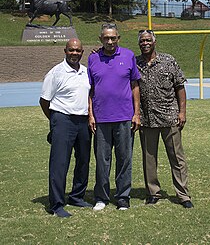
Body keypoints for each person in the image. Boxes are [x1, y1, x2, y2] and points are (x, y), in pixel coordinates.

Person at [136, 30, 194, 208]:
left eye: (148, 40)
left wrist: (182, 112)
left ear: (154, 42)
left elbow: (180, 87)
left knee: (177, 158)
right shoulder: (135, 63)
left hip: (170, 117)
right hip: (147, 119)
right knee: (149, 159)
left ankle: (183, 195)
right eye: (142, 41)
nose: (145, 43)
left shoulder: (168, 61)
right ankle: (153, 192)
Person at [88, 23, 141, 211]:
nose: (110, 41)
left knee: (124, 158)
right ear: (100, 39)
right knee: (102, 160)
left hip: (125, 117)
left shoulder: (128, 56)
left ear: (118, 38)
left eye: (113, 38)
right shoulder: (93, 58)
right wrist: (91, 114)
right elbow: (91, 89)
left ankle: (122, 197)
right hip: (101, 119)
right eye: (106, 38)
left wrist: (136, 113)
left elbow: (135, 85)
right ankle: (101, 197)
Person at [39, 38, 92, 218]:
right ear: (65, 51)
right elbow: (44, 101)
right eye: (71, 50)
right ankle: (56, 204)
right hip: (63, 119)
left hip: (83, 121)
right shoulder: (56, 73)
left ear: (82, 52)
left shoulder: (86, 72)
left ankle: (77, 196)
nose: (74, 53)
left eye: (78, 50)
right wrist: (55, 121)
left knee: (83, 160)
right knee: (60, 163)